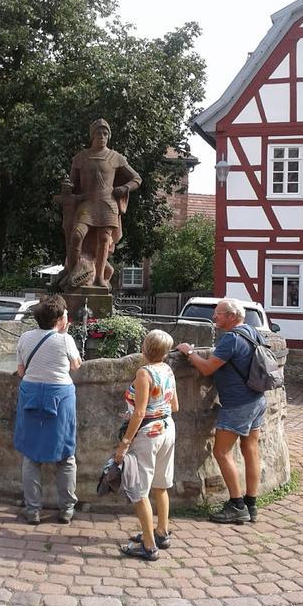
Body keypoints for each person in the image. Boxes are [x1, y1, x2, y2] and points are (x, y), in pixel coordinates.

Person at [177, 298, 266, 524]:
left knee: (222, 452)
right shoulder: (251, 332)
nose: (214, 317)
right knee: (250, 450)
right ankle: (251, 504)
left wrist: (189, 352)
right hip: (257, 399)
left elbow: (207, 368)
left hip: (238, 404)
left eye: (218, 313)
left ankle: (237, 505)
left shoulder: (231, 338)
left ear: (232, 316)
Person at [13, 294, 82, 525]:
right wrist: (65, 333)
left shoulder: (25, 337)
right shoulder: (65, 340)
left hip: (30, 393)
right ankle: (66, 509)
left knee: (31, 455)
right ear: (61, 318)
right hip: (59, 396)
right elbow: (76, 365)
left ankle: (33, 510)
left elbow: (21, 371)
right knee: (65, 455)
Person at [115, 329, 178, 561]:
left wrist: (124, 443)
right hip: (167, 428)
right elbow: (175, 405)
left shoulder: (144, 373)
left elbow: (140, 413)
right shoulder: (168, 369)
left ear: (145, 348)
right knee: (161, 485)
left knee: (139, 489)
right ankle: (162, 532)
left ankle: (149, 546)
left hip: (148, 435)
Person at [65, 118, 142, 289]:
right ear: (92, 135)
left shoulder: (116, 157)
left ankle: (99, 277)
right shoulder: (80, 157)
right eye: (99, 132)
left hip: (108, 204)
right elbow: (72, 183)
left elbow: (137, 179)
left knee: (104, 239)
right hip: (87, 203)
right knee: (77, 235)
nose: (102, 136)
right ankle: (72, 273)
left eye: (105, 133)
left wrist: (124, 188)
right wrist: (67, 187)